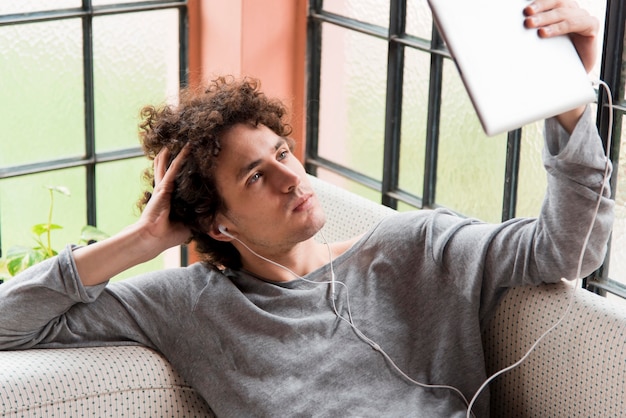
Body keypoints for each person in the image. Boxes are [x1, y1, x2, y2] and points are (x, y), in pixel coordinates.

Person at [0, 1, 614, 416]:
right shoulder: (190, 306)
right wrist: (141, 242)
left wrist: (567, 99)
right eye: (256, 176)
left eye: (284, 152)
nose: (291, 177)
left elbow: (567, 250)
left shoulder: (417, 247)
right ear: (218, 222)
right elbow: (9, 327)